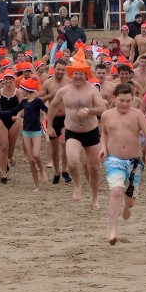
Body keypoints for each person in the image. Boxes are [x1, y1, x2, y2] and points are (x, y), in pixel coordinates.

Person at [47, 49, 107, 208]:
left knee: (93, 168)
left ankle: (95, 197)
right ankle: (78, 186)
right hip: (72, 131)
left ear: (86, 74)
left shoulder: (92, 89)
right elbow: (52, 106)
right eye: (75, 73)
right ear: (71, 74)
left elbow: (103, 108)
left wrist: (88, 111)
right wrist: (50, 125)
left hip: (91, 132)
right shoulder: (64, 91)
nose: (78, 76)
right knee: (73, 162)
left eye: (81, 73)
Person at [100, 83, 146, 245]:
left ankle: (126, 206)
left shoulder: (138, 115)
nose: (124, 104)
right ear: (113, 99)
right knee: (116, 191)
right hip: (113, 159)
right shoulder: (107, 115)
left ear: (133, 100)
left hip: (134, 161)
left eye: (128, 101)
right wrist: (103, 148)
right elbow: (104, 132)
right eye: (121, 100)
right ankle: (112, 232)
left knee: (130, 201)